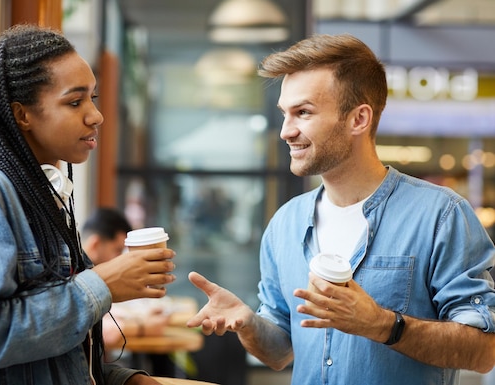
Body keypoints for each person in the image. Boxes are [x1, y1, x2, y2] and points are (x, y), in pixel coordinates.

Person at [186, 33, 495, 385]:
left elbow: (484, 352)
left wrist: (381, 324)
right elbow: (279, 351)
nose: (286, 131)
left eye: (303, 112)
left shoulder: (441, 216)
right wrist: (248, 323)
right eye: (285, 114)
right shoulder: (285, 223)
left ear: (358, 119)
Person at [0, 24, 176, 385]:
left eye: (93, 99)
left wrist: (129, 380)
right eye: (74, 101)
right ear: (23, 115)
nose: (95, 116)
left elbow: (54, 361)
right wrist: (101, 284)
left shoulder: (44, 202)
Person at [81, 207, 170, 347]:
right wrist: (143, 327)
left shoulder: (86, 277)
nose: (124, 260)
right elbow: (90, 328)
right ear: (95, 244)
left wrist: (140, 317)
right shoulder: (72, 276)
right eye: (117, 250)